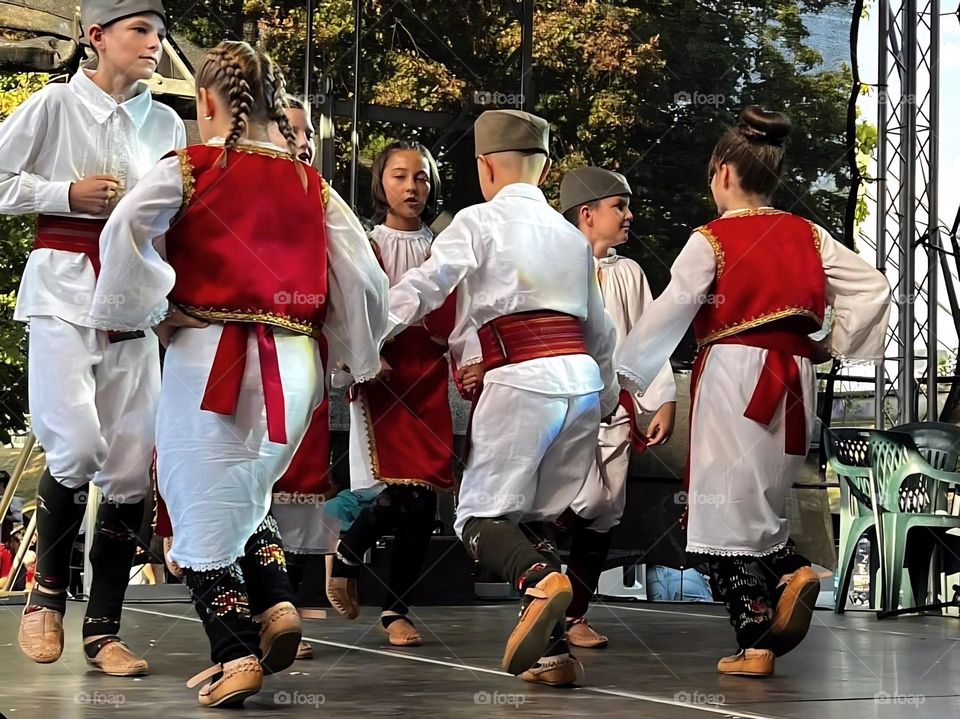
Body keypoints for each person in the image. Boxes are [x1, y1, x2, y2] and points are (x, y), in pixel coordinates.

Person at [90, 40, 388, 706]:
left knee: (196, 504)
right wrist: (354, 353)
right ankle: (277, 604)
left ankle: (232, 652)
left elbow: (124, 232)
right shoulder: (314, 184)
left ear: (205, 100)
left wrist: (152, 308)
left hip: (214, 358)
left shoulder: (190, 167)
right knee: (247, 492)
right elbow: (365, 278)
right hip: (295, 364)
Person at [616, 106, 891, 677]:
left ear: (722, 173)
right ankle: (792, 569)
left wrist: (626, 371)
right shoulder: (808, 234)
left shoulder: (710, 238)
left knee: (723, 507)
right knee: (761, 495)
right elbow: (873, 286)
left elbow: (672, 308)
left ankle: (756, 641)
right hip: (795, 377)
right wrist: (830, 344)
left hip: (736, 376)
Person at [385, 109, 619, 685]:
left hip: (522, 381)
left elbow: (427, 286)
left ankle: (542, 580)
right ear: (540, 168)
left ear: (486, 166)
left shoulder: (477, 220)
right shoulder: (571, 235)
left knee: (477, 516)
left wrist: (366, 333)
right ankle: (553, 654)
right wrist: (609, 398)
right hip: (582, 385)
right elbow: (601, 331)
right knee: (535, 516)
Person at [0, 0, 186, 676]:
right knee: (74, 443)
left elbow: (174, 219)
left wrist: (176, 299)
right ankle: (46, 594)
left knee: (134, 468)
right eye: (141, 31)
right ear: (96, 36)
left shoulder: (165, 120)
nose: (155, 45)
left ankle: (103, 630)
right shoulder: (52, 108)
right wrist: (64, 192)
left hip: (136, 300)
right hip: (64, 293)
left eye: (161, 34)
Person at [326, 140, 456, 648]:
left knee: (424, 502)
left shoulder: (445, 246)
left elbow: (461, 308)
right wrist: (363, 352)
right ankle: (352, 550)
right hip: (383, 373)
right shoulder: (364, 242)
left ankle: (393, 605)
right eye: (400, 176)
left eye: (421, 177)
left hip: (428, 372)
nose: (412, 187)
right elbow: (346, 303)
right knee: (400, 490)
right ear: (381, 182)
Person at [555, 166, 677, 650]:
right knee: (551, 503)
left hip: (614, 410)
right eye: (618, 206)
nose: (629, 215)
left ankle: (575, 614)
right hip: (560, 406)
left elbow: (648, 338)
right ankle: (539, 601)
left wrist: (662, 396)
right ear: (587, 214)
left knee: (603, 508)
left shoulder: (628, 273)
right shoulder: (555, 265)